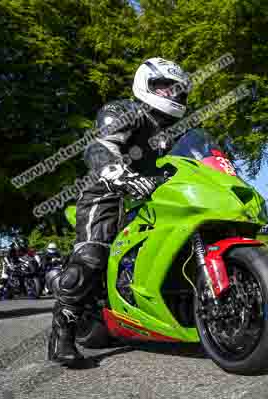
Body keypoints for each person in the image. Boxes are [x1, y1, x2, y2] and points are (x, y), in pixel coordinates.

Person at [50, 57, 192, 362]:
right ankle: (61, 336)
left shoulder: (179, 130)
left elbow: (197, 158)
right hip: (108, 194)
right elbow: (100, 146)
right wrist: (118, 173)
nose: (173, 94)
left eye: (178, 89)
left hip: (157, 197)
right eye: (164, 87)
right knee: (91, 257)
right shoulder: (125, 111)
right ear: (146, 84)